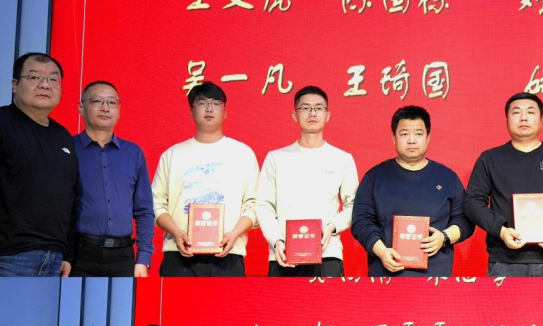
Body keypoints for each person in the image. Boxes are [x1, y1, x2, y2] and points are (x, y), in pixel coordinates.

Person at [465, 93, 543, 277]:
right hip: (504, 260)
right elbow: (472, 202)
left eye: (530, 112)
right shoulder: (490, 158)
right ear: (506, 120)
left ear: (542, 120)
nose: (523, 117)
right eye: (516, 112)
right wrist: (501, 230)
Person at [152, 82, 259, 276]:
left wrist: (234, 233)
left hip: (228, 253)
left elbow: (254, 204)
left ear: (225, 112)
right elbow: (156, 203)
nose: (209, 109)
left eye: (216, 103)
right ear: (191, 111)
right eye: (202, 103)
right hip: (179, 254)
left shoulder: (243, 153)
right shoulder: (172, 155)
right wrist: (176, 232)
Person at [351, 105, 472, 276]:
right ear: (394, 138)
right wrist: (382, 252)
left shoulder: (448, 178)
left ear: (428, 137)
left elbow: (465, 220)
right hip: (385, 273)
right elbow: (361, 221)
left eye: (418, 134)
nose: (412, 140)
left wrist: (444, 237)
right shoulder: (375, 177)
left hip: (435, 276)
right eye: (404, 134)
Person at [257, 85, 359, 277]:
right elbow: (264, 205)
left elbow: (353, 204)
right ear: (294, 115)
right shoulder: (276, 158)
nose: (312, 113)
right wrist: (277, 240)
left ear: (327, 115)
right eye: (305, 108)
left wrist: (332, 227)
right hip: (284, 253)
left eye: (318, 108)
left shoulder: (342, 158)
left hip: (327, 253)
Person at [0, 53, 77, 277]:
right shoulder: (3, 122)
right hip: (8, 256)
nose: (45, 85)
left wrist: (67, 254)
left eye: (53, 79)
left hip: (54, 259)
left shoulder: (63, 136)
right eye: (34, 77)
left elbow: (70, 198)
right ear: (15, 84)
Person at [71, 81, 154, 276]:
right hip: (78, 254)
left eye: (111, 102)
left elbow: (144, 210)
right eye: (97, 101)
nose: (105, 108)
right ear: (81, 107)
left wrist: (143, 258)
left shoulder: (133, 153)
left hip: (123, 256)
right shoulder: (68, 149)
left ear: (119, 110)